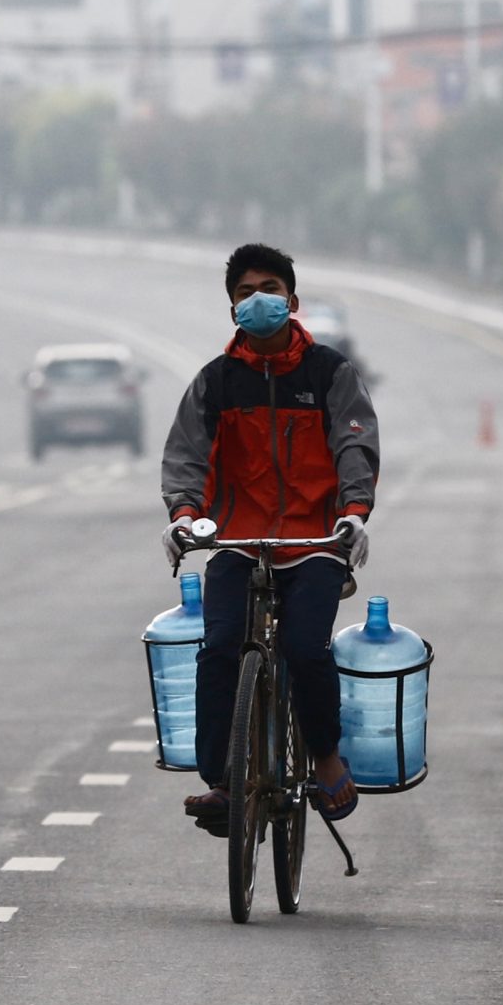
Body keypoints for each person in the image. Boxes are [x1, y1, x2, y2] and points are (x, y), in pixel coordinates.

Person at [160, 242, 380, 835]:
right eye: (244, 292)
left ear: (292, 300)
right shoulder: (216, 383)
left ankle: (326, 756)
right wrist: (184, 515)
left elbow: (354, 445)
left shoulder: (329, 374)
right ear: (231, 307)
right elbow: (187, 458)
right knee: (220, 648)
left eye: (270, 290)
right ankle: (223, 783)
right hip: (235, 541)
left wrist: (354, 513)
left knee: (308, 649)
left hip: (315, 542)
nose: (258, 300)